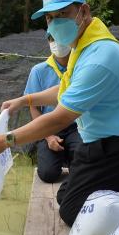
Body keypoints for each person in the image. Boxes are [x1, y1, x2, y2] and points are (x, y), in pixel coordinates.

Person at [0, 0, 119, 226]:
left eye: (63, 14)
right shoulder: (84, 46)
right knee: (65, 195)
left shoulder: (100, 56)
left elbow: (59, 118)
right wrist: (26, 100)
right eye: (50, 18)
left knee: (72, 211)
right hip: (98, 144)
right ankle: (112, 194)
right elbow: (67, 90)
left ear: (84, 11)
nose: (56, 23)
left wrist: (7, 141)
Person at [24, 34, 82, 183]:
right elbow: (34, 108)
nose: (56, 42)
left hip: (77, 126)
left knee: (83, 167)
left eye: (60, 37)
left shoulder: (81, 67)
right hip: (50, 127)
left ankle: (72, 157)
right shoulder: (38, 71)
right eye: (51, 39)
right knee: (48, 174)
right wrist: (48, 136)